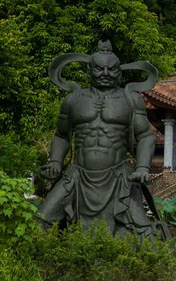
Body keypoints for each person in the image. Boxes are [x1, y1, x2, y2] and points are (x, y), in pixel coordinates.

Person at [38, 41, 166, 239]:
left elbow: (145, 137)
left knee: (145, 234)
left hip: (118, 177)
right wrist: (55, 161)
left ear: (119, 73)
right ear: (88, 72)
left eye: (111, 70)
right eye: (99, 69)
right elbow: (62, 136)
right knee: (42, 221)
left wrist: (142, 167)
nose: (105, 73)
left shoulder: (130, 100)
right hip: (77, 175)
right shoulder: (73, 99)